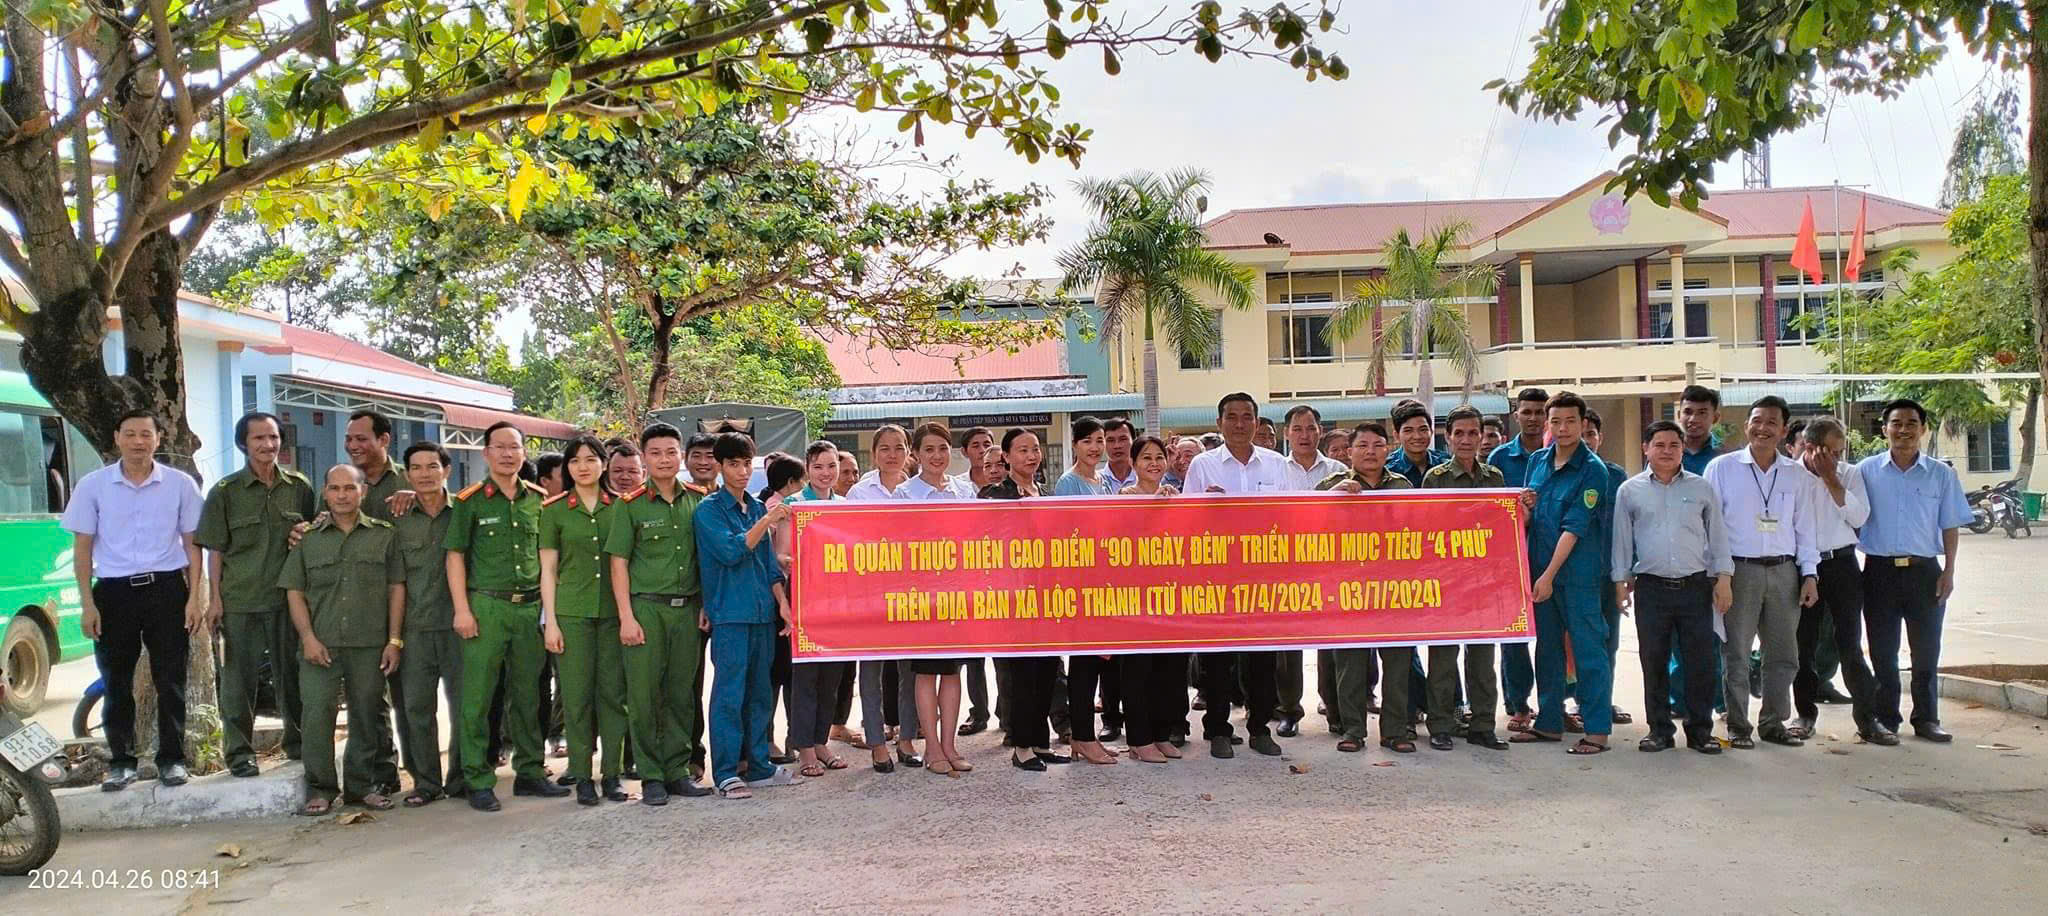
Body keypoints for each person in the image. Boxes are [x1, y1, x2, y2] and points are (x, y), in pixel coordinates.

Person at [62, 408, 205, 791]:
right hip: (113, 593)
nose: (139, 441)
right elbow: (83, 548)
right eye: (130, 434)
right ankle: (121, 762)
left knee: (170, 679)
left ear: (158, 439)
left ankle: (172, 760)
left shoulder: (180, 485)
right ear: (117, 438)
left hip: (167, 590)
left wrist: (195, 598)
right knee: (115, 680)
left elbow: (194, 546)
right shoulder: (93, 486)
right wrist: (87, 604)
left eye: (146, 434)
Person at [446, 422, 566, 810]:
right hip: (486, 606)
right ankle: (477, 778)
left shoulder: (538, 499)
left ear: (524, 452)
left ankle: (530, 771)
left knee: (529, 695)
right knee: (478, 697)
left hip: (530, 608)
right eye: (499, 447)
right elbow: (455, 557)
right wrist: (462, 609)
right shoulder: (471, 501)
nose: (508, 454)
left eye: (514, 447)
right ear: (486, 454)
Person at [196, 412, 315, 778]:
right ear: (243, 445)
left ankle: (297, 745)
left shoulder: (299, 486)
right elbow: (214, 550)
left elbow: (312, 534)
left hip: (287, 600)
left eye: (274, 437)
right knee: (238, 683)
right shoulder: (226, 492)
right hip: (240, 601)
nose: (268, 445)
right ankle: (239, 754)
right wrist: (213, 600)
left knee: (292, 676)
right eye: (259, 439)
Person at [282, 464, 407, 814]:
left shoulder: (384, 535)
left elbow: (396, 588)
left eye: (349, 488)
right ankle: (320, 788)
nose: (342, 495)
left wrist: (393, 640)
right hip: (320, 643)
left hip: (369, 644)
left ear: (362, 492)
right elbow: (294, 591)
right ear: (325, 493)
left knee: (366, 715)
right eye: (334, 489)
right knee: (317, 714)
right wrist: (307, 637)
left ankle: (361, 786)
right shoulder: (308, 539)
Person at [1701, 395, 1820, 750]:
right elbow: (1711, 526)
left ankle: (1773, 722)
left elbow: (1805, 528)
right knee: (1735, 652)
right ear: (1747, 424)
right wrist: (1720, 575)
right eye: (1757, 420)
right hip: (1738, 571)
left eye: (1771, 422)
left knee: (1783, 654)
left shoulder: (1798, 475)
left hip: (1785, 572)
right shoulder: (1722, 468)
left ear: (1784, 430)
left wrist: (1810, 574)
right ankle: (1738, 725)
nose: (1762, 428)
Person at [606, 423, 712, 805]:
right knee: (645, 694)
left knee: (682, 693)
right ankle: (650, 774)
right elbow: (618, 563)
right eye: (656, 453)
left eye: (671, 452)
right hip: (646, 609)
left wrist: (705, 605)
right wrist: (626, 617)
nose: (665, 460)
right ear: (645, 458)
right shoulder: (629, 505)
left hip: (688, 611)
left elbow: (706, 559)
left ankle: (677, 769)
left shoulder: (699, 500)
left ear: (680, 455)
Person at [1610, 421, 1731, 754]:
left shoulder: (1701, 487)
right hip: (1651, 587)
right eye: (1659, 444)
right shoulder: (1630, 491)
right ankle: (1659, 730)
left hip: (1695, 585)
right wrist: (1620, 581)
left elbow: (1718, 535)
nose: (1666, 451)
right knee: (1654, 660)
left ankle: (1700, 730)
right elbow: (1621, 540)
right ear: (1645, 448)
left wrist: (1724, 578)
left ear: (1681, 449)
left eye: (1673, 445)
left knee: (1700, 662)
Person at [695, 432, 804, 797]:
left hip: (762, 613)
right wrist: (768, 519)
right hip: (729, 616)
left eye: (746, 464)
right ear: (720, 467)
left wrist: (784, 607)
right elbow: (732, 551)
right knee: (728, 694)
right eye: (734, 464)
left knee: (760, 693)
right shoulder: (709, 510)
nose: (742, 472)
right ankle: (726, 772)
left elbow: (770, 566)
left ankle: (758, 765)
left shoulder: (756, 509)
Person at [1857, 398, 1971, 743]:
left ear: (1923, 429)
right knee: (1882, 650)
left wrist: (1949, 571)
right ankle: (1886, 718)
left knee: (1926, 650)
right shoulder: (1865, 471)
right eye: (1896, 423)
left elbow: (1950, 526)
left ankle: (1926, 719)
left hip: (1925, 573)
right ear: (1884, 429)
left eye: (1911, 424)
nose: (1903, 430)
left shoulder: (1941, 474)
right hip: (1879, 572)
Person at [1183, 392, 1288, 760]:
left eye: (1247, 417)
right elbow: (1183, 523)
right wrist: (1203, 509)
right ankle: (1217, 730)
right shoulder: (1202, 465)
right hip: (1217, 577)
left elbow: (1294, 517)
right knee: (1218, 660)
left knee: (1262, 659)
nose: (1239, 424)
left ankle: (1260, 727)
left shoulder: (1277, 465)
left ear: (1257, 423)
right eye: (1231, 417)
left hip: (1263, 578)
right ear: (1219, 423)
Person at [1511, 392, 1613, 755]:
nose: (1563, 428)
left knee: (1588, 651)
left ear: (1583, 424)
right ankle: (1549, 722)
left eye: (1571, 421)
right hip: (1540, 572)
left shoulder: (1593, 470)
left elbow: (1574, 527)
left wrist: (1549, 575)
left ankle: (1597, 730)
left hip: (1575, 577)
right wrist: (1524, 511)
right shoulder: (1538, 460)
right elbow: (1530, 517)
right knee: (1548, 651)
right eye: (1556, 421)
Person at [539, 436, 630, 806]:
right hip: (572, 615)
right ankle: (582, 776)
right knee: (576, 699)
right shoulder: (555, 510)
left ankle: (611, 775)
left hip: (613, 615)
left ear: (604, 464)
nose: (583, 466)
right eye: (575, 461)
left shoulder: (620, 508)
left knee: (613, 697)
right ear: (567, 467)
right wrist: (552, 622)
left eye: (591, 459)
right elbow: (547, 570)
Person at [1315, 421, 1414, 752]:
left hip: (1395, 589)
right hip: (1349, 588)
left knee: (1398, 664)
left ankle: (1395, 731)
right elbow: (1305, 522)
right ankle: (1353, 730)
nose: (1370, 452)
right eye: (1363, 446)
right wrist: (1334, 498)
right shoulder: (1332, 485)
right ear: (1349, 452)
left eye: (1377, 445)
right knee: (1350, 665)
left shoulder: (1403, 486)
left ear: (1388, 449)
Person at [1789, 417, 1889, 743]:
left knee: (1850, 645)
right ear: (1809, 446)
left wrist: (1833, 480)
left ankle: (1867, 719)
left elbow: (1860, 517)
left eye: (1838, 451)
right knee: (1803, 646)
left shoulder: (1849, 474)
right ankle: (1804, 714)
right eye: (1829, 452)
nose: (1835, 457)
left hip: (1842, 564)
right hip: (1803, 567)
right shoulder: (1789, 476)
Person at [1418, 405, 1509, 751]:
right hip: (1448, 583)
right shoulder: (1435, 478)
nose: (1468, 440)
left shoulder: (1495, 478)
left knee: (1483, 661)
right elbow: (1428, 531)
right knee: (1443, 659)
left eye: (1475, 433)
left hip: (1485, 585)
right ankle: (1440, 724)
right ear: (1448, 437)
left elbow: (1502, 529)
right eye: (1460, 434)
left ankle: (1483, 724)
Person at [980, 429, 1069, 771]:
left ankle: (1039, 742)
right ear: (1005, 456)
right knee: (1021, 674)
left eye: (1035, 449)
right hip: (1013, 596)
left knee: (1048, 669)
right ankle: (1021, 747)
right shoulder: (994, 494)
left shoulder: (1045, 493)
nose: (1031, 456)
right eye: (1022, 450)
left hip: (1046, 594)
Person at [845, 425, 925, 771]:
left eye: (899, 447)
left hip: (912, 592)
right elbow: (846, 544)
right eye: (884, 448)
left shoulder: (918, 491)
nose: (892, 454)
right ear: (873, 453)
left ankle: (907, 738)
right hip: (871, 592)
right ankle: (877, 741)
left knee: (910, 670)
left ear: (908, 452)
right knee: (872, 669)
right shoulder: (860, 494)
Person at [392, 441, 466, 806]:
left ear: (446, 471)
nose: (425, 474)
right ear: (407, 475)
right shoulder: (397, 517)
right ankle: (426, 782)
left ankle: (462, 778)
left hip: (460, 627)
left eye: (432, 466)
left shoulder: (465, 511)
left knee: (465, 706)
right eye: (416, 468)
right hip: (414, 628)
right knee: (417, 708)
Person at [900, 423, 975, 775]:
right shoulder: (904, 495)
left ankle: (950, 745)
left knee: (953, 671)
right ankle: (931, 748)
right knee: (927, 671)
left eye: (942, 449)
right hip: (921, 596)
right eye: (928, 450)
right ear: (916, 454)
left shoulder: (965, 490)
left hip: (959, 594)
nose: (936, 456)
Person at [1275, 405, 1347, 739]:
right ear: (1286, 432)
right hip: (1286, 565)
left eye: (1311, 428)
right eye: (1298, 428)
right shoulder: (1274, 469)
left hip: (1330, 564)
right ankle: (1288, 711)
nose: (1305, 435)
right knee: (1287, 646)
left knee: (1331, 642)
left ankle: (1334, 709)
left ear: (1320, 430)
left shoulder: (1339, 470)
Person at [783, 441, 853, 776]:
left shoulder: (845, 506)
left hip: (838, 605)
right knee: (806, 678)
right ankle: (805, 747)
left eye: (831, 467)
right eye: (818, 467)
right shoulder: (792, 505)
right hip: (805, 603)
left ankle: (822, 740)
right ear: (807, 469)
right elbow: (780, 556)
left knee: (831, 678)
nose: (826, 473)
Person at [1053, 416, 1119, 765]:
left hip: (1104, 584)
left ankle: (1086, 737)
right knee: (1083, 666)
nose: (1095, 448)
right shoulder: (1069, 483)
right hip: (1081, 586)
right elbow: (1064, 538)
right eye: (1087, 441)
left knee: (1096, 664)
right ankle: (1081, 735)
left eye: (1100, 440)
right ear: (1075, 445)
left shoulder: (1104, 483)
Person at [1115, 435, 1185, 762]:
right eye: (1146, 458)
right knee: (1138, 671)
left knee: (1167, 671)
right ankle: (1139, 740)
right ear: (1133, 464)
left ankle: (1161, 734)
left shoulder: (1173, 495)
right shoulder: (1124, 497)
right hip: (1135, 598)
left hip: (1169, 596)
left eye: (1159, 457)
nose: (1154, 463)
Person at [1488, 387, 1549, 732]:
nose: (1534, 418)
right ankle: (1518, 704)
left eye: (1540, 412)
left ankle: (1554, 702)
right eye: (1527, 412)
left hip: (1550, 556)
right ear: (1516, 415)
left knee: (1553, 636)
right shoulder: (1499, 458)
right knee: (1513, 638)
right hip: (1508, 561)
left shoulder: (1559, 455)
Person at [1580, 409, 1632, 728]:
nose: (1585, 440)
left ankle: (1602, 701)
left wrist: (1625, 575)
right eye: (1579, 432)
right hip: (1572, 576)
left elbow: (1627, 529)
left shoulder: (1617, 477)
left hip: (1608, 575)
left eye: (1591, 434)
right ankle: (1575, 704)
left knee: (1607, 642)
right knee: (1572, 645)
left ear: (1600, 438)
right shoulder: (1555, 470)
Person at [681, 432, 721, 774]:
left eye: (711, 455)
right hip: (689, 607)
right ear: (685, 459)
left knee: (728, 684)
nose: (705, 462)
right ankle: (692, 754)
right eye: (697, 455)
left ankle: (736, 755)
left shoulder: (734, 499)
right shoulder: (678, 500)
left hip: (725, 604)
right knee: (688, 685)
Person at [957, 426, 999, 737]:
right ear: (965, 452)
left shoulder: (1008, 484)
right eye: (976, 445)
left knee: (1004, 652)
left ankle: (1006, 711)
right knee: (972, 654)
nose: (982, 449)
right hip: (967, 577)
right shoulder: (958, 488)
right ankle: (978, 712)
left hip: (1000, 577)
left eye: (987, 444)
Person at [1386, 400, 1450, 487]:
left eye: (1423, 429)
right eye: (1408, 430)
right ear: (1396, 436)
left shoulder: (1446, 464)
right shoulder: (1386, 470)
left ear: (1431, 432)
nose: (1417, 436)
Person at [1102, 418, 1140, 493]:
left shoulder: (1145, 478)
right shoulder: (1096, 481)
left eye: (1123, 439)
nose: (1117, 446)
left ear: (1134, 441)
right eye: (1110, 440)